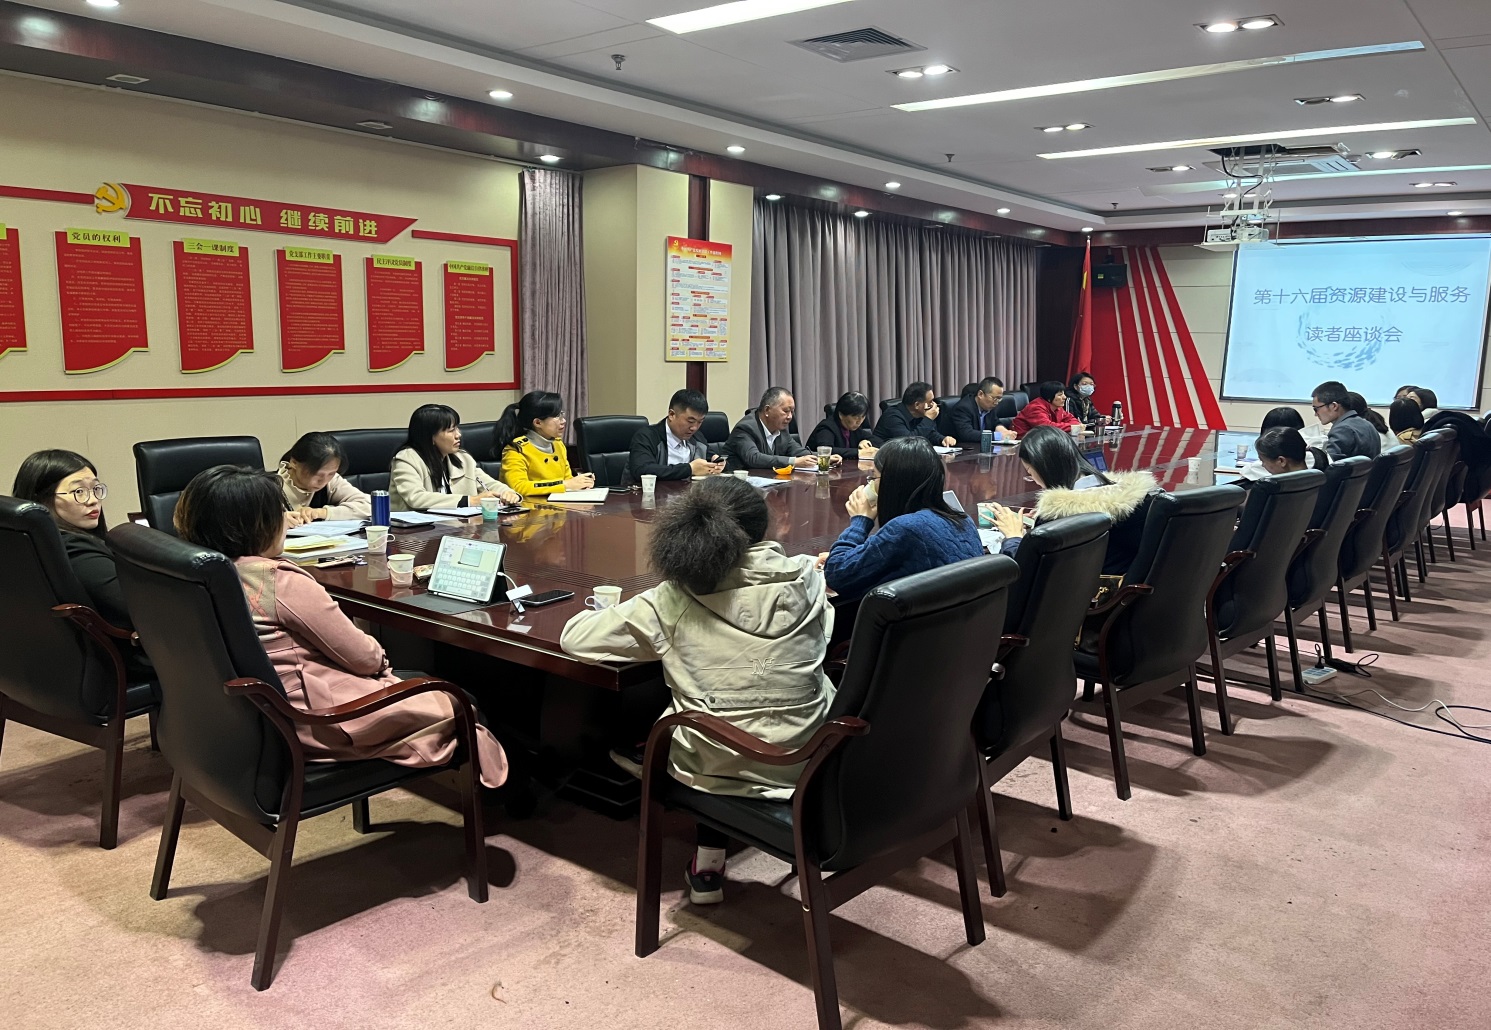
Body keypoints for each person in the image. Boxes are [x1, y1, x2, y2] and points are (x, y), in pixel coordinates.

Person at [559, 476, 834, 905]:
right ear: (763, 526)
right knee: (736, 696)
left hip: (718, 764)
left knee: (700, 711)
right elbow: (824, 632)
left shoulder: (674, 598)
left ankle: (707, 864)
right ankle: (708, 859)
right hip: (811, 753)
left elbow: (576, 639)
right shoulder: (807, 577)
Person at [173, 465, 508, 785]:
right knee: (462, 701)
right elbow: (366, 659)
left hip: (239, 726)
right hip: (313, 724)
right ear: (257, 525)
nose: (285, 522)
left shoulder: (193, 575)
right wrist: (378, 658)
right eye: (279, 514)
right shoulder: (277, 582)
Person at [11, 450, 153, 682]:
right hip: (124, 658)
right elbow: (138, 607)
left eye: (96, 489)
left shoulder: (30, 545)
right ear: (41, 499)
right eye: (79, 492)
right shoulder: (75, 550)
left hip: (46, 668)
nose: (93, 499)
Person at [822, 436, 984, 601]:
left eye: (874, 477)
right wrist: (856, 554)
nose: (871, 485)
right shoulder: (964, 520)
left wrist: (860, 521)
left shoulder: (906, 529)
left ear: (893, 483)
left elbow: (836, 574)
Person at [990, 426, 1158, 576]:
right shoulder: (1139, 500)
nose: (1033, 479)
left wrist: (1013, 537)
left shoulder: (1058, 518)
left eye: (1029, 471)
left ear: (1043, 469)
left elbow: (1026, 574)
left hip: (1087, 597)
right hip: (1125, 593)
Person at [389, 403, 519, 511]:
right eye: (451, 430)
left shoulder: (463, 458)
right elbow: (416, 498)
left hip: (457, 527)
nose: (458, 435)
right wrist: (470, 501)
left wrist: (510, 494)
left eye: (457, 428)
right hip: (416, 530)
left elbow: (489, 484)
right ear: (430, 437)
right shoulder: (406, 459)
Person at [495, 390, 594, 498]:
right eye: (557, 416)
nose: (563, 421)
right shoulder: (516, 449)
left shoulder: (558, 444)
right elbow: (519, 487)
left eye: (561, 414)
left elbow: (567, 479)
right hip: (530, 506)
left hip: (558, 504)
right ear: (538, 422)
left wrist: (581, 483)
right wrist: (565, 485)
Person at [724, 387, 834, 472]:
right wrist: (794, 461)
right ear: (767, 410)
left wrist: (823, 457)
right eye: (786, 411)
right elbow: (754, 458)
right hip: (738, 486)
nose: (790, 416)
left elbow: (797, 451)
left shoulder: (780, 428)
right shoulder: (745, 428)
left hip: (770, 483)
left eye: (792, 411)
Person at [627, 388, 724, 481]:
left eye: (700, 422)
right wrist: (689, 469)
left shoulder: (696, 437)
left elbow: (712, 456)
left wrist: (719, 463)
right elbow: (642, 470)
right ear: (672, 415)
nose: (694, 428)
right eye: (690, 421)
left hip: (689, 491)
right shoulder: (647, 436)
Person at [276, 432, 371, 525]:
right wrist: (278, 522)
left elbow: (369, 506)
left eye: (331, 473)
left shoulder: (331, 481)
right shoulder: (272, 487)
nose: (323, 481)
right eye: (317, 474)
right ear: (294, 463)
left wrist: (321, 512)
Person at [1311, 380, 1380, 461]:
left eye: (1316, 409)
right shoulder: (1366, 423)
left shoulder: (1342, 429)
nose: (1315, 414)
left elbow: (1328, 464)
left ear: (1334, 406)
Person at [872, 381, 957, 448]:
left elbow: (929, 433)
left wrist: (942, 439)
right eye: (930, 402)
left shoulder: (919, 414)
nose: (933, 405)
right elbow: (909, 443)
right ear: (917, 405)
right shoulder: (892, 416)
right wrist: (928, 419)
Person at [806, 391, 877, 459]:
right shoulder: (826, 427)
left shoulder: (853, 429)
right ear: (841, 415)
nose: (860, 421)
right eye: (856, 417)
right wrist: (859, 452)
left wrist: (866, 442)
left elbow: (879, 441)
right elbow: (826, 451)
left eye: (863, 417)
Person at [947, 377, 1012, 446]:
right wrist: (998, 436)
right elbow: (967, 434)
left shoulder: (989, 406)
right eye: (995, 398)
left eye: (999, 399)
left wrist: (1002, 429)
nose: (996, 403)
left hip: (982, 448)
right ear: (980, 394)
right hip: (964, 449)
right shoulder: (963, 408)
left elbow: (995, 422)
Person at [1010, 380, 1084, 438]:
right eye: (1060, 395)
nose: (1064, 397)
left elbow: (1071, 419)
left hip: (1044, 439)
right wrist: (1071, 427)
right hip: (1024, 442)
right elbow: (1046, 427)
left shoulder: (1057, 407)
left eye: (1064, 394)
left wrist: (1076, 425)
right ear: (1049, 398)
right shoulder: (1035, 408)